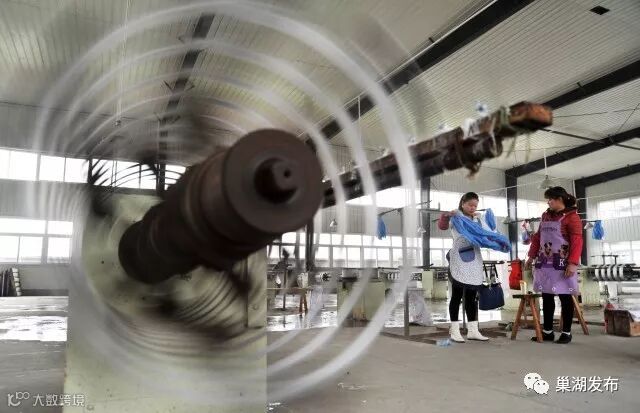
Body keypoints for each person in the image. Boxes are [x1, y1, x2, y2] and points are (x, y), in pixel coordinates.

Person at [525, 186, 583, 344]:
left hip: (563, 264)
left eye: (550, 199)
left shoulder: (572, 217)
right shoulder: (545, 216)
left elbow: (577, 242)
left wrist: (572, 263)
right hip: (545, 263)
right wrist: (531, 256)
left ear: (560, 200)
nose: (548, 202)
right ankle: (548, 332)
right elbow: (537, 238)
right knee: (547, 297)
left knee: (565, 298)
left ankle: (566, 333)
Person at [438, 192, 490, 343]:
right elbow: (442, 226)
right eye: (470, 205)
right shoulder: (456, 217)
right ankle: (454, 330)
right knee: (457, 295)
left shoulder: (477, 219)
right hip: (459, 258)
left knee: (472, 296)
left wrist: (482, 220)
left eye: (475, 205)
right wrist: (446, 216)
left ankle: (473, 330)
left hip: (474, 259)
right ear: (463, 203)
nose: (473, 208)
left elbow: (487, 234)